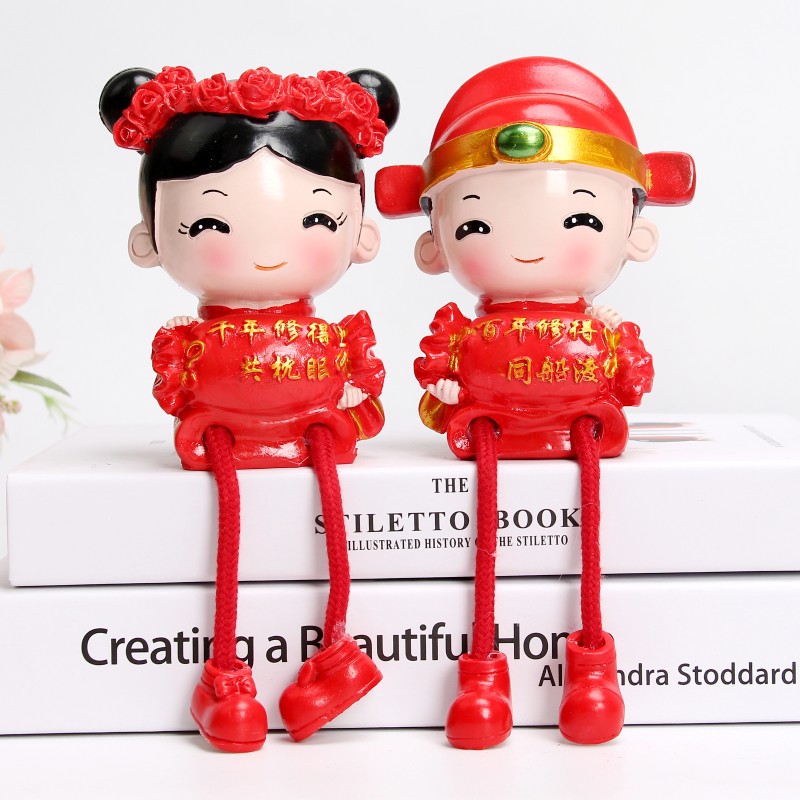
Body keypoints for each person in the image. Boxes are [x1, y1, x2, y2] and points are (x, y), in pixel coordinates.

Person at [376, 56, 694, 749]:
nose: (523, 249)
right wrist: (447, 394)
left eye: (580, 217)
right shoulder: (460, 338)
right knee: (487, 553)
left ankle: (592, 669)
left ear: (636, 233)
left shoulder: (605, 334)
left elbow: (629, 381)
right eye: (476, 226)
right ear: (435, 245)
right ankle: (482, 675)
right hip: (489, 428)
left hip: (581, 428)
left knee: (588, 553)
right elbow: (438, 387)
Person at [100, 64, 399, 752]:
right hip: (221, 436)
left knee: (325, 522)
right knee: (232, 525)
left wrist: (351, 394)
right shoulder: (188, 344)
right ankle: (224, 675)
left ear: (361, 232)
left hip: (314, 430)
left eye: (317, 218)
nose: (266, 254)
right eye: (209, 221)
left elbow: (360, 389)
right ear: (149, 238)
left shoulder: (337, 343)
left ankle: (332, 654)